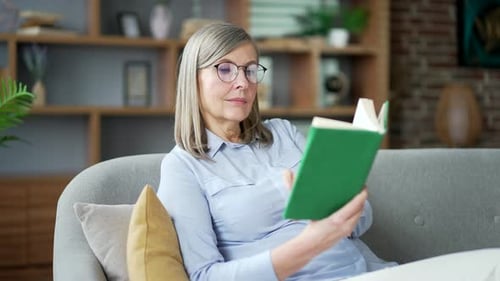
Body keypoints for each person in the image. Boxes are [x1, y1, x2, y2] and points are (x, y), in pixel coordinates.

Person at [157, 22, 396, 281]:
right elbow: (206, 276)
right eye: (225, 69)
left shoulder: (283, 133)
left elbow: (359, 222)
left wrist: (351, 200)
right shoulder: (182, 167)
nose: (243, 83)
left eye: (250, 70)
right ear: (193, 79)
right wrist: (308, 245)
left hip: (372, 271)